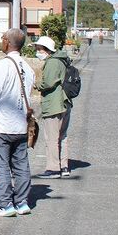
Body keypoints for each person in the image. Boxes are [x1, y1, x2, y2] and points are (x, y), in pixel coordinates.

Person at [0, 28, 35, 217]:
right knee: (21, 164)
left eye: (3, 38)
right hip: (21, 124)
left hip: (1, 124)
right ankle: (22, 202)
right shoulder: (28, 68)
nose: (1, 41)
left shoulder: (0, 66)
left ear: (7, 42)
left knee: (1, 165)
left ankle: (4, 204)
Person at [34, 35, 72, 179]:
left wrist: (36, 84)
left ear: (46, 50)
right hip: (65, 102)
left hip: (54, 104)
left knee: (51, 138)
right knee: (62, 136)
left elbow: (48, 83)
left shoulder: (52, 62)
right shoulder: (62, 60)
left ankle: (53, 168)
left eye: (39, 49)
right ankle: (64, 166)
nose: (38, 52)